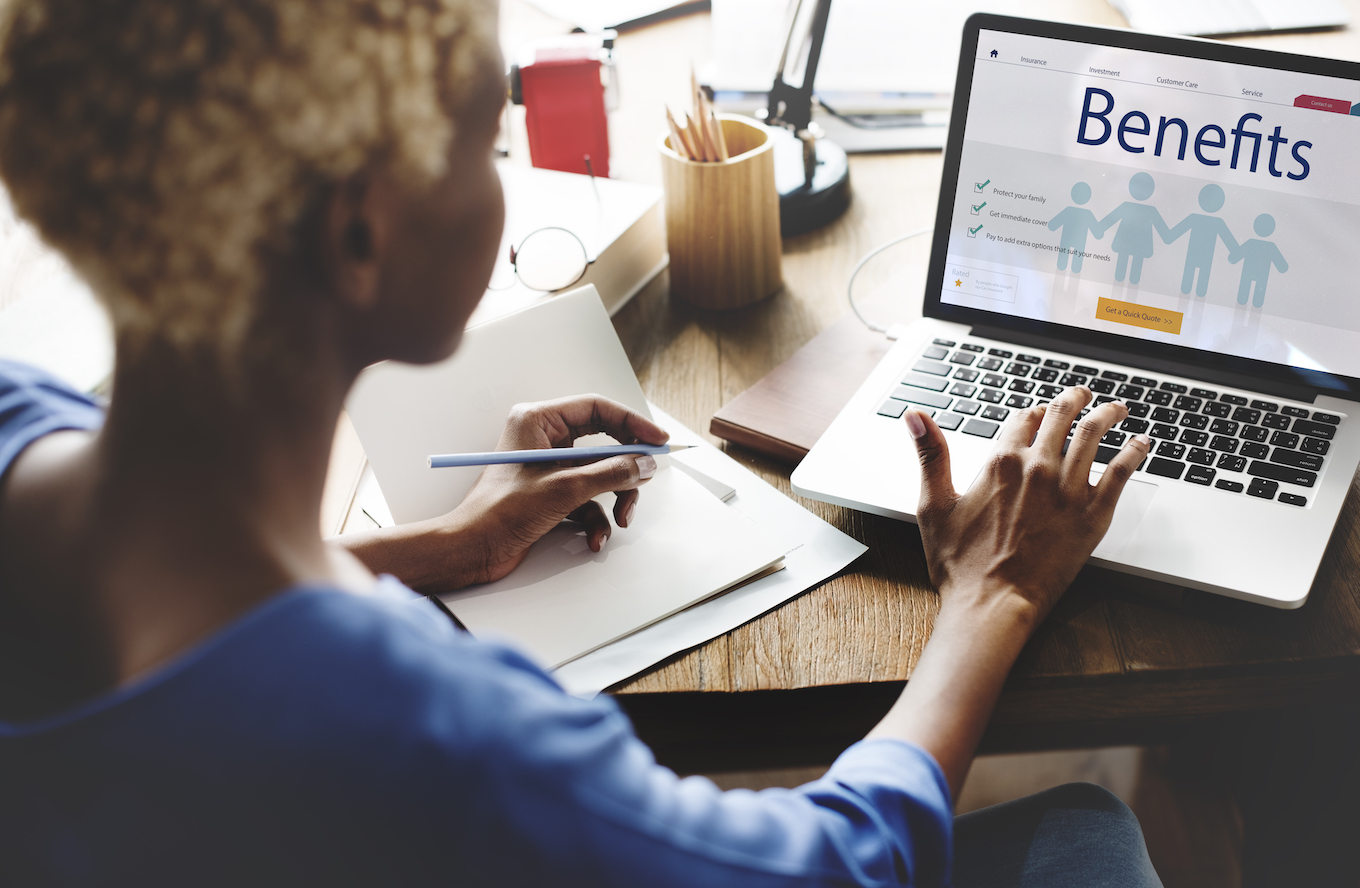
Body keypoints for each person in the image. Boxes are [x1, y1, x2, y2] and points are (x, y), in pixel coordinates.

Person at [0, 1, 1161, 885]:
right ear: (360, 230)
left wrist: (442, 549)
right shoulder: (433, 736)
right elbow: (828, 865)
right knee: (1087, 833)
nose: (505, 173)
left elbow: (182, 630)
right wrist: (992, 596)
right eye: (484, 139)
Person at [1165, 184, 1239, 297]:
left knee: (1194, 288)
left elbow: (1172, 234)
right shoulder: (1215, 222)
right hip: (1203, 257)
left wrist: (1168, 236)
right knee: (1194, 288)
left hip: (1198, 256)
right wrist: (1235, 255)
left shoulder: (1200, 219)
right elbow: (1231, 243)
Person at [1099, 172, 1172, 286]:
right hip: (1135, 245)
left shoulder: (1143, 209)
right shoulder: (1134, 208)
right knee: (1123, 275)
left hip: (1134, 245)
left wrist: (1099, 228)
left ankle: (1123, 294)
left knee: (1129, 276)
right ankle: (1119, 294)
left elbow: (1108, 220)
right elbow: (1164, 232)